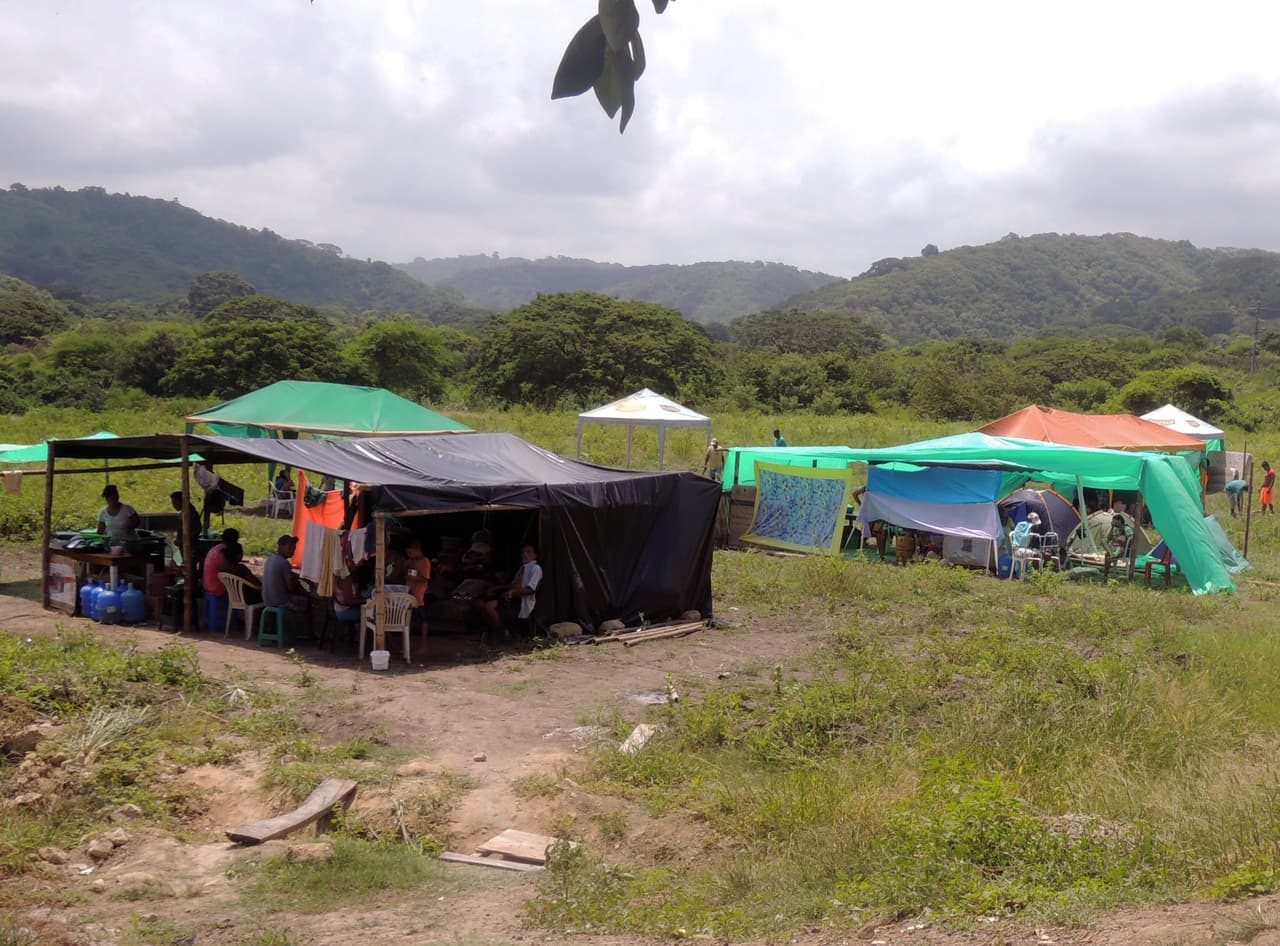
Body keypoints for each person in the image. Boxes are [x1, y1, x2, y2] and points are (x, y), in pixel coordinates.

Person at [483, 543, 543, 635]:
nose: (524, 554)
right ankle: (497, 632)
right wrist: (496, 588)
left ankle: (501, 634)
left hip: (521, 600)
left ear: (535, 555)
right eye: (523, 552)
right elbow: (514, 585)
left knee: (489, 606)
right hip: (513, 597)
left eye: (528, 552)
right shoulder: (522, 568)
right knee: (481, 604)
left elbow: (531, 589)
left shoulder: (536, 568)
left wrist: (513, 592)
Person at [262, 533, 309, 618]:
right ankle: (306, 630)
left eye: (294, 549)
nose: (292, 551)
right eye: (289, 548)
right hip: (280, 602)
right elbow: (290, 588)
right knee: (307, 601)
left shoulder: (270, 559)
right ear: (281, 547)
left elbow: (286, 574)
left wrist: (299, 577)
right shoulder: (284, 563)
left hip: (267, 600)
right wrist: (304, 592)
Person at [202, 527, 240, 598]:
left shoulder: (217, 548)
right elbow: (229, 572)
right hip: (216, 588)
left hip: (207, 585)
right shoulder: (223, 552)